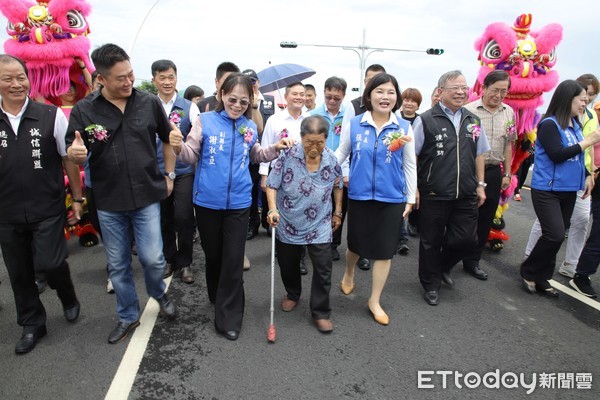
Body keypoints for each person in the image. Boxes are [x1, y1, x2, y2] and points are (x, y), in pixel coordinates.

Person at [66, 43, 178, 344]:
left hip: (146, 195)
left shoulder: (149, 102)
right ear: (101, 79)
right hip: (108, 200)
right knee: (118, 265)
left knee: (154, 259)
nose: (128, 82)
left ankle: (158, 292)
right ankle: (128, 315)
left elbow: (168, 138)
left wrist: (169, 175)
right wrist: (75, 152)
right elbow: (73, 149)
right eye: (120, 78)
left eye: (130, 74)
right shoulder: (84, 110)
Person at [170, 73, 292, 341]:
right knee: (214, 256)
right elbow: (191, 155)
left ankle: (229, 318)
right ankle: (217, 293)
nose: (237, 105)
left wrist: (274, 147)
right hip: (207, 203)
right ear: (222, 95)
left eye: (243, 101)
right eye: (232, 99)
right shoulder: (205, 121)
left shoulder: (248, 126)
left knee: (233, 261)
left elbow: (257, 154)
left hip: (238, 203)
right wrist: (178, 147)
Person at [0, 54, 81, 354]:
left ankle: (68, 294)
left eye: (20, 77)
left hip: (46, 206)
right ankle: (33, 323)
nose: (16, 84)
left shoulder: (51, 116)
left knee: (50, 261)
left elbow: (67, 158)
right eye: (7, 78)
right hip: (6, 211)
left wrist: (78, 197)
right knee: (19, 271)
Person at [336, 73, 416, 325]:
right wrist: (320, 173)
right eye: (379, 91)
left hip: (392, 198)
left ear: (397, 97)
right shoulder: (356, 123)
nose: (385, 97)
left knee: (384, 252)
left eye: (391, 92)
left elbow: (409, 164)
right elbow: (341, 155)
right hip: (359, 195)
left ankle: (374, 300)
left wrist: (410, 198)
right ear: (369, 95)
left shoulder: (403, 127)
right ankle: (349, 274)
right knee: (355, 245)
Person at [413, 70, 490, 306]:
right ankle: (431, 284)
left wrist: (480, 185)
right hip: (434, 192)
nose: (460, 92)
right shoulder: (425, 119)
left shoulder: (472, 120)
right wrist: (414, 187)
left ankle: (443, 266)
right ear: (440, 91)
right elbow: (412, 156)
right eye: (455, 88)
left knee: (466, 240)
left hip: (466, 192)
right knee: (430, 241)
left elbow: (479, 154)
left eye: (464, 88)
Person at [520, 80, 600, 298]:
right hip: (547, 189)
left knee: (556, 234)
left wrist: (586, 176)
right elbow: (557, 154)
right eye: (581, 100)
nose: (585, 104)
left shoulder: (575, 125)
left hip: (568, 190)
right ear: (567, 99)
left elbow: (578, 157)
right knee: (554, 234)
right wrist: (589, 142)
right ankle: (528, 270)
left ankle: (543, 276)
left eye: (586, 100)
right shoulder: (549, 124)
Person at [266, 115, 343, 333]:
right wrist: (272, 209)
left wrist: (337, 212)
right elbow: (271, 184)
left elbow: (338, 185)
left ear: (326, 139)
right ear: (301, 137)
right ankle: (293, 293)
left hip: (319, 223)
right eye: (309, 142)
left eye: (319, 142)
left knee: (323, 267)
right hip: (288, 221)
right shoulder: (287, 156)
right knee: (288, 264)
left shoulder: (331, 159)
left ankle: (320, 311)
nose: (314, 147)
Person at [462, 71, 516, 280]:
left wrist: (508, 173)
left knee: (486, 218)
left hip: (494, 171)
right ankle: (452, 252)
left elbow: (510, 144)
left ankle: (472, 261)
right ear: (484, 88)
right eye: (495, 90)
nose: (499, 95)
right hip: (469, 170)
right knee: (464, 215)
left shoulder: (509, 112)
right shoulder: (468, 110)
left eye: (504, 91)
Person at [151, 59, 201, 283]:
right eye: (162, 77)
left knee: (183, 217)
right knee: (163, 219)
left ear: (176, 79)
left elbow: (197, 139)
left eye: (171, 77)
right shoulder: (148, 105)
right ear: (154, 80)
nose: (167, 82)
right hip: (155, 172)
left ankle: (185, 263)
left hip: (183, 171)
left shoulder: (189, 107)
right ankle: (169, 259)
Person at [259, 82, 310, 273]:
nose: (299, 97)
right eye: (295, 94)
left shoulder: (311, 119)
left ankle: (300, 257)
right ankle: (282, 249)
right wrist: (264, 176)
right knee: (280, 212)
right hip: (280, 175)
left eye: (302, 94)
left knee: (302, 214)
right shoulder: (275, 119)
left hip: (305, 176)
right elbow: (265, 148)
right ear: (286, 96)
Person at [242, 68, 276, 241]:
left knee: (267, 187)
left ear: (259, 83)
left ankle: (267, 222)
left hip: (267, 152)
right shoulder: (242, 101)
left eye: (253, 82)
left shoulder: (269, 101)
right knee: (252, 191)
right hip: (249, 152)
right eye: (248, 82)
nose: (251, 85)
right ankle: (253, 223)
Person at [398, 87, 423, 253]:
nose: (409, 103)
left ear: (418, 105)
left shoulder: (422, 121)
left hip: (415, 167)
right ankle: (401, 236)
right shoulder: (394, 119)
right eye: (406, 99)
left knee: (408, 201)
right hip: (396, 167)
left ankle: (402, 238)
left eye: (413, 101)